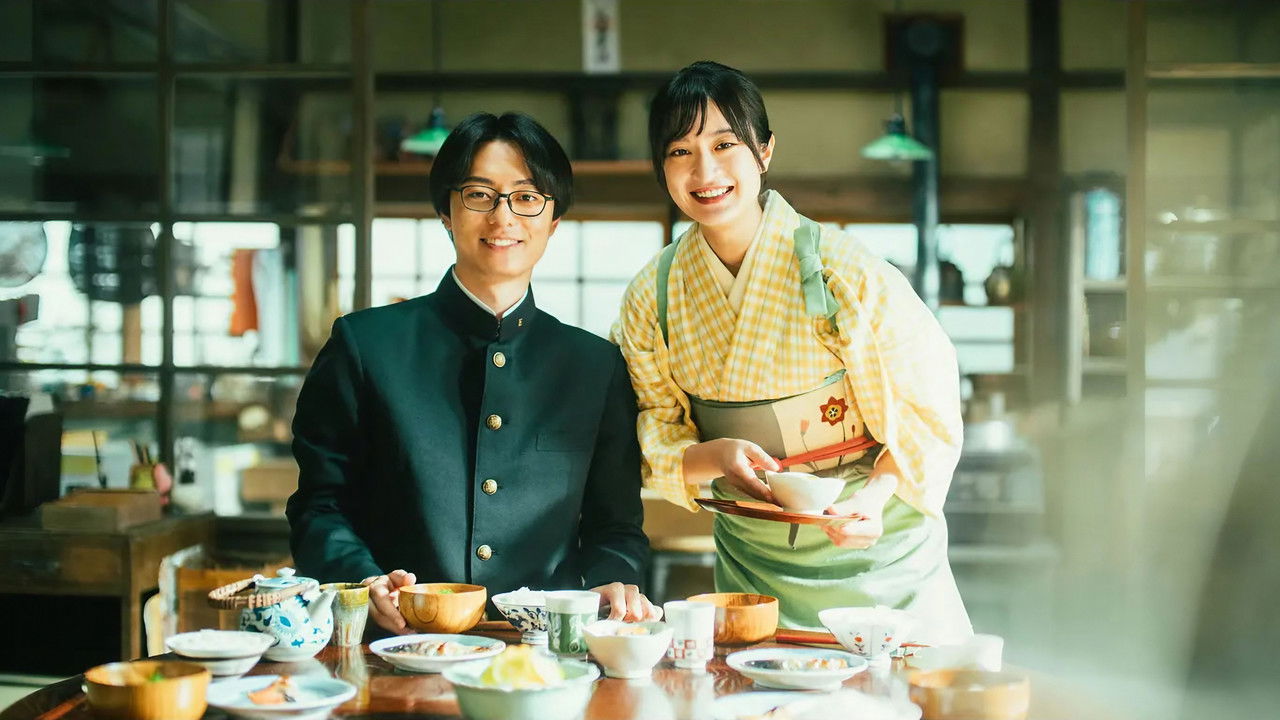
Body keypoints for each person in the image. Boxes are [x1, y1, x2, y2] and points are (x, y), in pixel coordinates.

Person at [613, 61, 971, 640]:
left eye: (724, 144)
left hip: (875, 545)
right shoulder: (652, 296)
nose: (705, 170)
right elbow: (649, 425)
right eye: (680, 151)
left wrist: (876, 499)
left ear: (764, 152)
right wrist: (714, 457)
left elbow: (924, 413)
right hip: (752, 559)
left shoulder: (845, 271)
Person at [288, 111, 658, 635]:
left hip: (543, 655)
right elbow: (319, 506)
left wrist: (611, 580)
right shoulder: (365, 346)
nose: (503, 218)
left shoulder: (594, 366)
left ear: (554, 221)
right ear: (446, 212)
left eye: (527, 197)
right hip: (397, 645)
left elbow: (616, 529)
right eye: (480, 195)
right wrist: (362, 580)